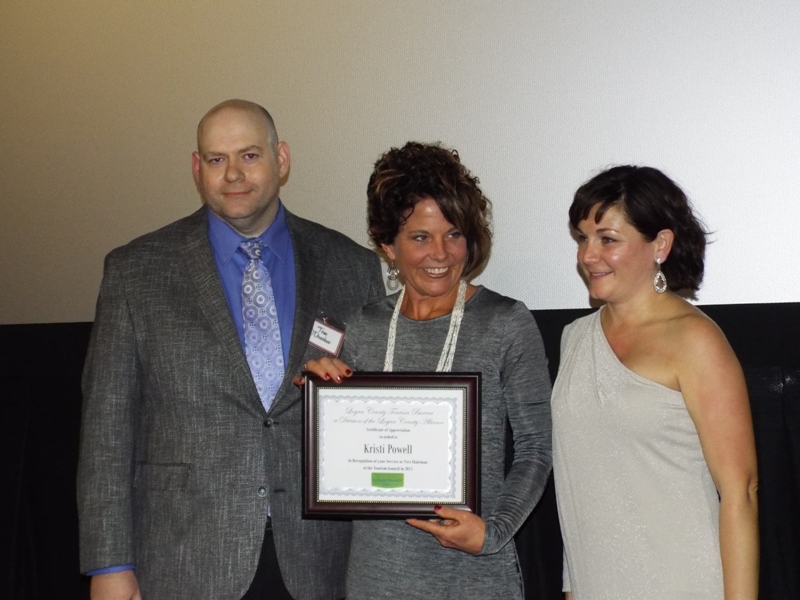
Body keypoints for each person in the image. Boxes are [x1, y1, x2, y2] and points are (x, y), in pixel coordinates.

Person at [77, 99, 384, 600]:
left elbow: (376, 414)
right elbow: (106, 432)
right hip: (185, 559)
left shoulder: (351, 266)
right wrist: (109, 565)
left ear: (281, 160)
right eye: (216, 159)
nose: (233, 174)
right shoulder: (136, 271)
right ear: (196, 168)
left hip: (322, 560)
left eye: (249, 155)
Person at [303, 142, 553, 599]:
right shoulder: (363, 326)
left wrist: (494, 532)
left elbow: (536, 448)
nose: (441, 253)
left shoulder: (505, 323)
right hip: (376, 578)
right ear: (388, 246)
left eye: (453, 234)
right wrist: (318, 396)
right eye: (420, 237)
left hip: (475, 577)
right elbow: (337, 458)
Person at [552, 165, 759, 599]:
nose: (588, 255)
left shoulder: (695, 340)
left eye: (607, 239)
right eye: (582, 238)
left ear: (660, 245)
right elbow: (580, 488)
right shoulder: (574, 339)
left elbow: (740, 492)